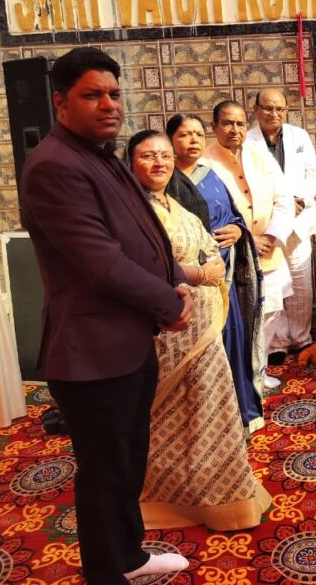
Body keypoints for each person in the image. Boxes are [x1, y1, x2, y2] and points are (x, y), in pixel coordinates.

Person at [20, 46, 192, 583]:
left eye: (114, 94)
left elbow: (142, 233)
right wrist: (169, 303)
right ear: (60, 102)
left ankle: (129, 557)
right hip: (91, 354)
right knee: (104, 472)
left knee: (127, 461)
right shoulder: (54, 165)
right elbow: (102, 262)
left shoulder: (99, 155)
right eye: (92, 95)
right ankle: (106, 572)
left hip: (126, 342)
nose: (109, 105)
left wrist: (176, 279)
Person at [127, 130, 273, 531]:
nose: (159, 162)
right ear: (130, 164)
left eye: (164, 155)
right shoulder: (133, 211)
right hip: (168, 328)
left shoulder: (175, 203)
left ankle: (220, 493)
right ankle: (169, 495)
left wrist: (212, 265)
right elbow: (140, 264)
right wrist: (198, 273)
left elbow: (207, 244)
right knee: (170, 414)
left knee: (211, 407)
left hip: (204, 326)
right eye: (147, 156)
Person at [167, 113, 265, 431]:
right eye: (185, 134)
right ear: (171, 141)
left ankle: (238, 414)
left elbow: (234, 216)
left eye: (198, 134)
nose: (193, 140)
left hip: (223, 277)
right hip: (188, 282)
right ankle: (204, 423)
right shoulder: (164, 181)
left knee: (230, 341)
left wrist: (238, 231)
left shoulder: (210, 175)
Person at [205, 100, 294, 389]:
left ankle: (259, 370)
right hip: (233, 253)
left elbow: (283, 198)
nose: (234, 129)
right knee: (239, 318)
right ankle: (238, 378)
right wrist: (247, 239)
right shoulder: (204, 163)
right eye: (227, 123)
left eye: (240, 124)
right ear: (214, 126)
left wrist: (271, 236)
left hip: (269, 250)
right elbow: (209, 214)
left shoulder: (259, 155)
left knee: (271, 312)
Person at [245, 88, 316, 363]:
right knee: (274, 283)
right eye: (267, 108)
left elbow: (314, 174)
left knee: (301, 284)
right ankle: (277, 343)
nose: (274, 114)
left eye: (279, 108)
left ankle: (301, 338)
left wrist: (298, 199)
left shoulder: (299, 136)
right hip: (268, 223)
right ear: (255, 110)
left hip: (299, 218)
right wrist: (282, 204)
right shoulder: (247, 141)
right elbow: (250, 182)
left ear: (286, 110)